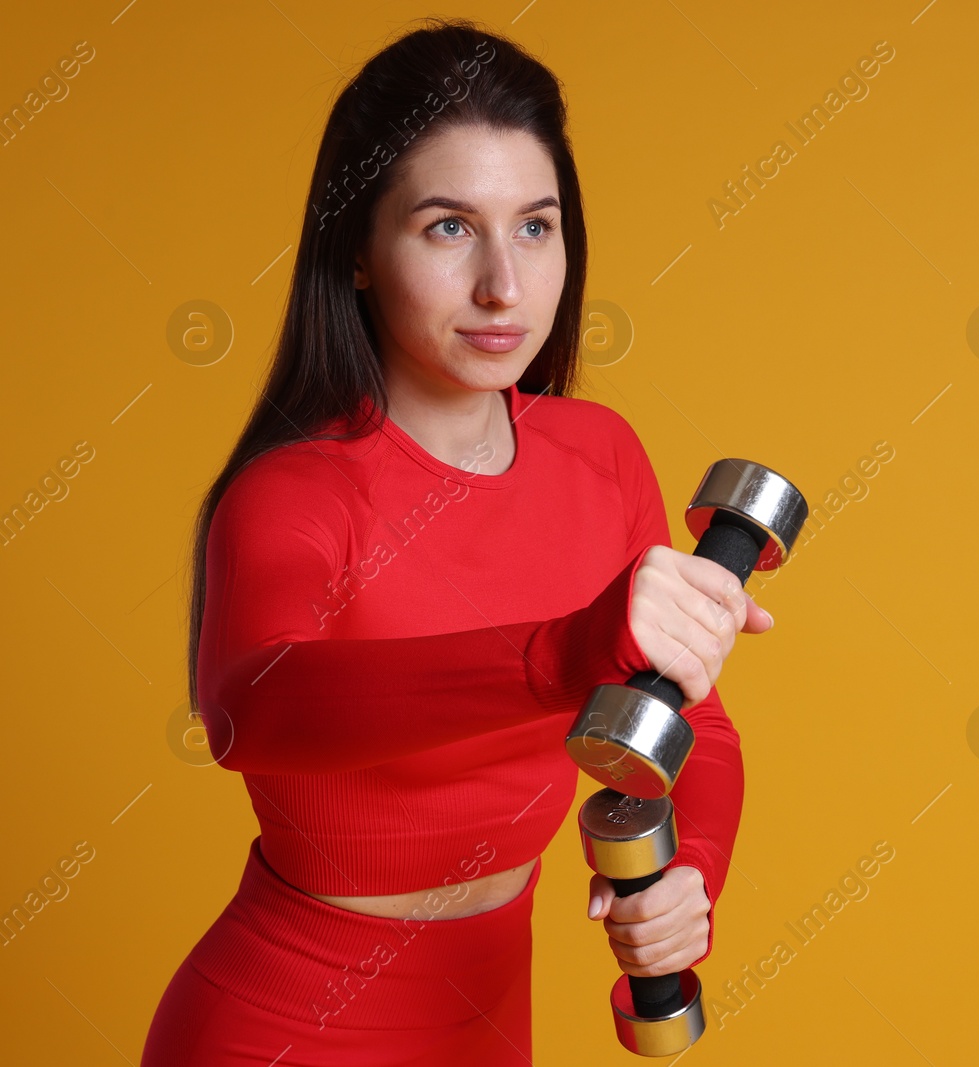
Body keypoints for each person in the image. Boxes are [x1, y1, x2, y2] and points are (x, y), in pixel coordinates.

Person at [140, 17, 769, 1065]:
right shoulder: (292, 492)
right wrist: (558, 652)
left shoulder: (600, 453)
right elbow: (254, 706)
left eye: (535, 226)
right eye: (446, 227)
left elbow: (697, 726)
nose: (503, 287)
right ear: (355, 250)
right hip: (284, 1027)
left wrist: (687, 868)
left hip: (484, 1015)